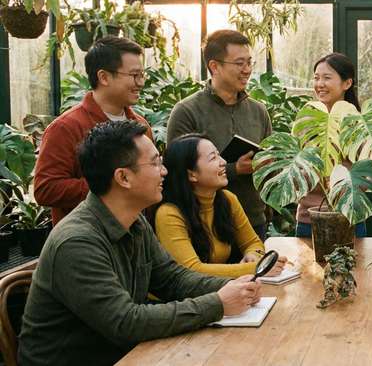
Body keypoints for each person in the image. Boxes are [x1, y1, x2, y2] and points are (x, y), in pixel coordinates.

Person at [19, 121, 263, 365]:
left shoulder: (134, 221)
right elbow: (125, 322)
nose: (165, 171)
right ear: (123, 177)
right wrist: (217, 303)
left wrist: (233, 285)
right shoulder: (77, 242)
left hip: (125, 353)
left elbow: (171, 278)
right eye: (155, 163)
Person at [34, 36, 153, 225]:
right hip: (86, 239)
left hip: (135, 236)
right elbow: (45, 189)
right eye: (134, 75)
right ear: (104, 77)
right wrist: (111, 185)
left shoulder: (141, 126)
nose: (140, 82)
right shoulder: (66, 127)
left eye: (142, 75)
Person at [167, 30, 271, 240]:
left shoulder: (258, 111)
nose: (247, 70)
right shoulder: (187, 111)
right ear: (214, 66)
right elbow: (176, 171)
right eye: (239, 63)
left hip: (253, 220)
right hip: (206, 224)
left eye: (250, 62)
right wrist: (234, 169)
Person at [155, 134, 286, 277]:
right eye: (213, 158)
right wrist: (256, 268)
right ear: (192, 174)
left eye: (219, 155)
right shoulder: (169, 214)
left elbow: (253, 243)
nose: (223, 162)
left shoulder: (227, 200)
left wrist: (253, 255)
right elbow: (190, 270)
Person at [295, 53, 367, 237]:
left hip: (349, 215)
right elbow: (296, 166)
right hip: (309, 216)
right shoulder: (306, 119)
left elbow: (368, 173)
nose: (320, 84)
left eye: (327, 78)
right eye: (316, 78)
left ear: (347, 83)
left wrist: (338, 176)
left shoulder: (359, 123)